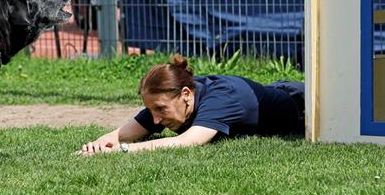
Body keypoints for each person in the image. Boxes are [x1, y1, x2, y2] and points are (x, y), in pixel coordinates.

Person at [78, 54, 305, 155]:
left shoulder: (222, 98)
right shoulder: (173, 100)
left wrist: (124, 150)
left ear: (186, 94)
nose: (155, 119)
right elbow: (126, 132)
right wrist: (101, 143)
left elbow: (187, 142)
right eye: (151, 110)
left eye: (160, 109)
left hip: (301, 101)